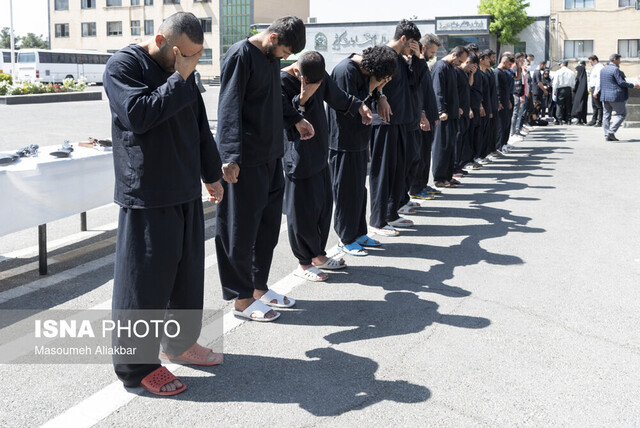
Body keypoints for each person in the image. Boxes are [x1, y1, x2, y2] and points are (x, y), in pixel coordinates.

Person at [103, 12, 224, 396]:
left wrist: (211, 172)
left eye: (196, 56)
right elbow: (139, 115)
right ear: (161, 41)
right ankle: (136, 367)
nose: (189, 62)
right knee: (143, 284)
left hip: (184, 187)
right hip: (147, 193)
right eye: (183, 55)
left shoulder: (182, 71)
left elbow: (198, 124)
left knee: (187, 277)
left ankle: (179, 343)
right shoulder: (123, 66)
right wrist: (180, 77)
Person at [215, 16, 310, 322]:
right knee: (240, 231)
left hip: (271, 156)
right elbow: (228, 106)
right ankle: (241, 300)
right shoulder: (241, 54)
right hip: (245, 160)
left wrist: (295, 118)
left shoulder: (269, 59)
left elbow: (274, 100)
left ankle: (258, 288)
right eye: (284, 51)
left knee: (267, 230)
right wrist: (228, 156)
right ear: (272, 39)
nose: (285, 58)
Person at [281, 51, 372, 280]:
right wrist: (302, 99)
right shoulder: (281, 81)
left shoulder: (318, 76)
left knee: (322, 206)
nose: (317, 85)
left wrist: (359, 106)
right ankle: (304, 263)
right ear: (297, 72)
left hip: (320, 151)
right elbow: (283, 117)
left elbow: (337, 96)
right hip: (297, 156)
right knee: (302, 212)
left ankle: (318, 255)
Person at [328, 45, 396, 256]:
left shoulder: (365, 70)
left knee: (359, 190)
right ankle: (345, 238)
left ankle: (359, 233)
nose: (381, 82)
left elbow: (370, 96)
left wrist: (380, 93)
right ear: (374, 69)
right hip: (343, 141)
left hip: (358, 139)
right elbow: (349, 106)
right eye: (382, 78)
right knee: (346, 191)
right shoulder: (346, 71)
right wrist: (372, 87)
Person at [368, 19, 425, 236]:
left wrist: (417, 58)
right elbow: (372, 83)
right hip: (384, 122)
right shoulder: (384, 54)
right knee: (383, 173)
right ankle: (377, 220)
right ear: (403, 39)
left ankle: (391, 213)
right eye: (412, 43)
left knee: (398, 171)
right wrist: (381, 96)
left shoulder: (402, 59)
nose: (413, 47)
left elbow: (415, 82)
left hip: (401, 122)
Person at [408, 33, 442, 199]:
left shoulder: (424, 66)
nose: (433, 56)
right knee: (419, 156)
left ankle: (422, 184)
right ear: (423, 48)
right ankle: (415, 188)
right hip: (422, 119)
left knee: (425, 155)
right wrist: (423, 115)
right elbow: (417, 94)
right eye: (432, 52)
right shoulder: (416, 67)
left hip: (430, 117)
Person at [431, 45, 469, 188]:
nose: (460, 64)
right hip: (444, 115)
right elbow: (438, 91)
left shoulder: (451, 68)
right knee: (442, 146)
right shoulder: (440, 67)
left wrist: (456, 107)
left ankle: (448, 176)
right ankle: (440, 178)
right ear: (454, 55)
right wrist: (441, 110)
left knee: (450, 146)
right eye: (460, 61)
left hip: (452, 113)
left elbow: (453, 92)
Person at [597, 53, 640, 141]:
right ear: (615, 60)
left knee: (606, 116)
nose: (620, 61)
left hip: (605, 96)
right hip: (615, 95)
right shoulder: (615, 69)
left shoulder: (603, 70)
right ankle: (611, 132)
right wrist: (633, 85)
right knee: (621, 114)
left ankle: (606, 135)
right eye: (619, 60)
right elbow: (621, 82)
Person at [494, 54, 514, 154]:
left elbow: (506, 89)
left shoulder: (504, 73)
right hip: (501, 102)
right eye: (509, 64)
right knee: (501, 125)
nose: (510, 66)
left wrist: (509, 101)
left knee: (505, 124)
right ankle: (499, 146)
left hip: (506, 101)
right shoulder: (497, 72)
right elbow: (497, 88)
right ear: (504, 62)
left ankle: (503, 144)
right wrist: (498, 102)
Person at [553, 60, 575, 125]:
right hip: (568, 89)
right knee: (568, 105)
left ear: (562, 64)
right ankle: (568, 120)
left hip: (560, 89)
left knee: (559, 104)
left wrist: (554, 90)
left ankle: (559, 120)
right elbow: (573, 83)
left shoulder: (558, 72)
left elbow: (555, 82)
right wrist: (571, 88)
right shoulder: (571, 72)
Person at [587, 55, 604, 127]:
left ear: (595, 61)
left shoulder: (599, 67)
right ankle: (594, 120)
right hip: (593, 87)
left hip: (597, 88)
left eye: (591, 62)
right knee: (594, 105)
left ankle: (599, 121)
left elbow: (599, 80)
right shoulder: (595, 67)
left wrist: (596, 91)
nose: (590, 63)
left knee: (598, 105)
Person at [571, 60, 589, 124]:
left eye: (577, 70)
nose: (576, 72)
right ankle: (579, 119)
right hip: (580, 94)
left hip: (581, 94)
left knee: (581, 106)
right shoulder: (579, 77)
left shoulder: (582, 78)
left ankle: (580, 120)